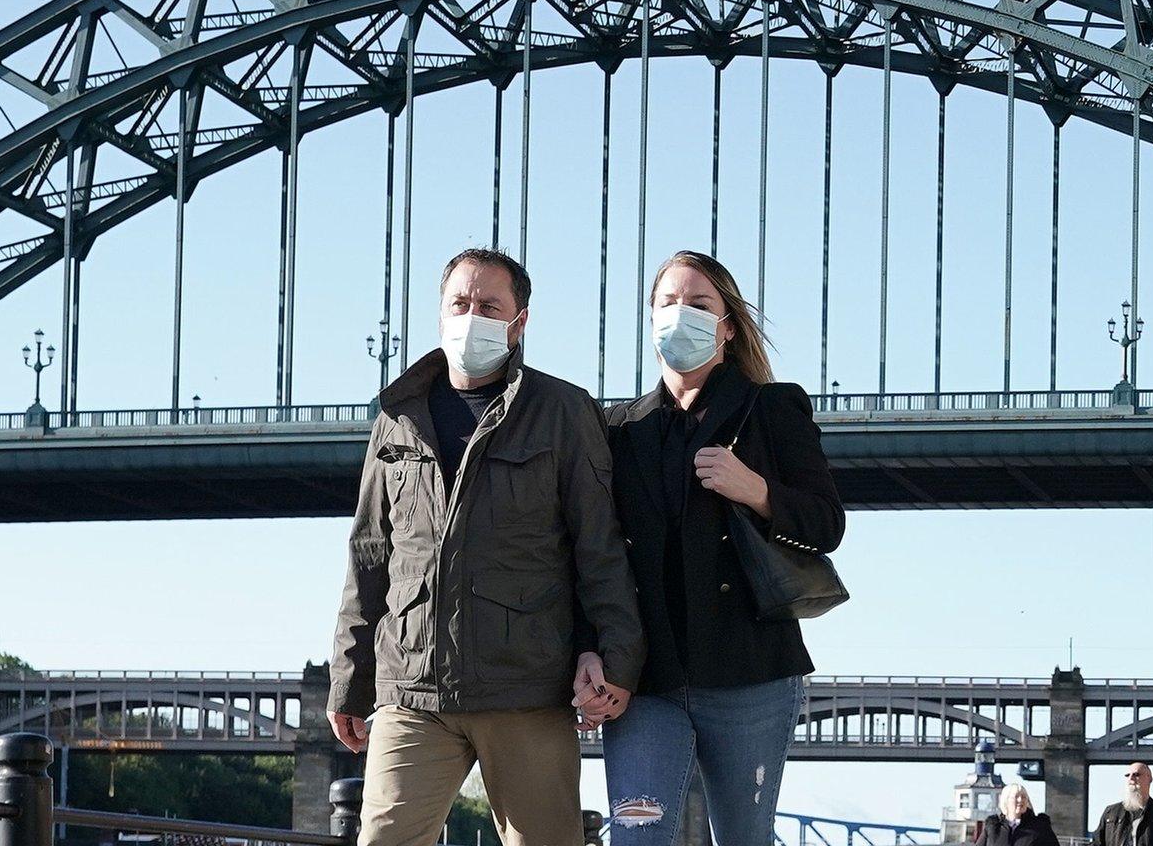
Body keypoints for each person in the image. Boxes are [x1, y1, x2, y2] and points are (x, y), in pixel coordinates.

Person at [326, 248, 645, 846]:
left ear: (519, 321)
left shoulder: (562, 412)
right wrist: (350, 677)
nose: (471, 316)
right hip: (413, 689)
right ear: (440, 313)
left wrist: (615, 656)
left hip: (525, 688)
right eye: (460, 303)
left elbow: (599, 548)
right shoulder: (397, 417)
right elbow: (370, 553)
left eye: (488, 305)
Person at [600, 251, 846, 844]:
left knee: (742, 836)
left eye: (700, 304)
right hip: (646, 678)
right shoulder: (618, 429)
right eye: (669, 303)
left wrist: (756, 491)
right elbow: (597, 555)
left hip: (749, 674)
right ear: (650, 318)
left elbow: (826, 524)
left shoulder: (773, 407)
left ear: (728, 325)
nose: (681, 315)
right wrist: (591, 649)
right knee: (637, 835)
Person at [1093, 763, 1153, 846]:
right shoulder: (1110, 813)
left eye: (1136, 775)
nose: (1131, 778)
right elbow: (1097, 843)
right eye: (1127, 775)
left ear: (1149, 778)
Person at [982, 784, 1059, 846]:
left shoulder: (1040, 826)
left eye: (1024, 797)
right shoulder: (993, 827)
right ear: (1006, 801)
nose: (1020, 800)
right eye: (1016, 797)